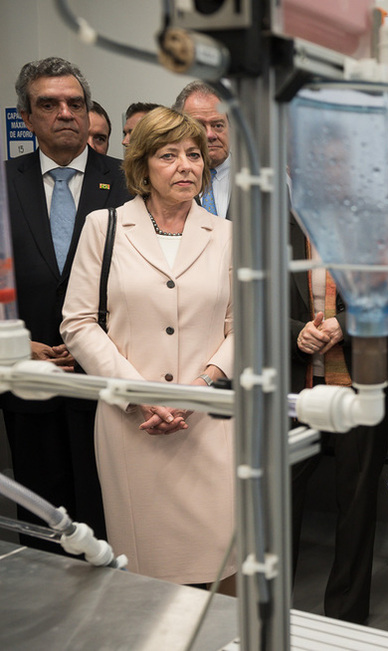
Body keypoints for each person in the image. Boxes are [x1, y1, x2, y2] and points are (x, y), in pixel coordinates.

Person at [60, 107, 235, 592]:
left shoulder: (226, 236)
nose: (186, 165)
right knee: (144, 578)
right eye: (169, 155)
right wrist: (141, 392)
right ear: (142, 166)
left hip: (207, 426)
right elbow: (77, 322)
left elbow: (243, 327)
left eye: (194, 155)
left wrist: (196, 389)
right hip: (131, 425)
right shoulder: (105, 226)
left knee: (220, 565)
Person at [3, 57, 129, 550]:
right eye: (48, 104)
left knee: (108, 514)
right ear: (27, 117)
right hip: (26, 380)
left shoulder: (128, 182)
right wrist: (17, 345)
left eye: (75, 103)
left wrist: (95, 344)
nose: (65, 113)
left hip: (105, 383)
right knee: (42, 519)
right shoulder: (2, 181)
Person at [288, 215, 388, 623]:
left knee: (357, 508)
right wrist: (295, 334)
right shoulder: (270, 220)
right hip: (293, 385)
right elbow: (246, 297)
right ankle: (267, 610)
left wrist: (346, 323)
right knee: (277, 502)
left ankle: (346, 619)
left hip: (364, 386)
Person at [173, 81, 231, 218]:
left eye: (217, 125)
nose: (210, 135)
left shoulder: (262, 180)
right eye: (198, 126)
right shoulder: (167, 180)